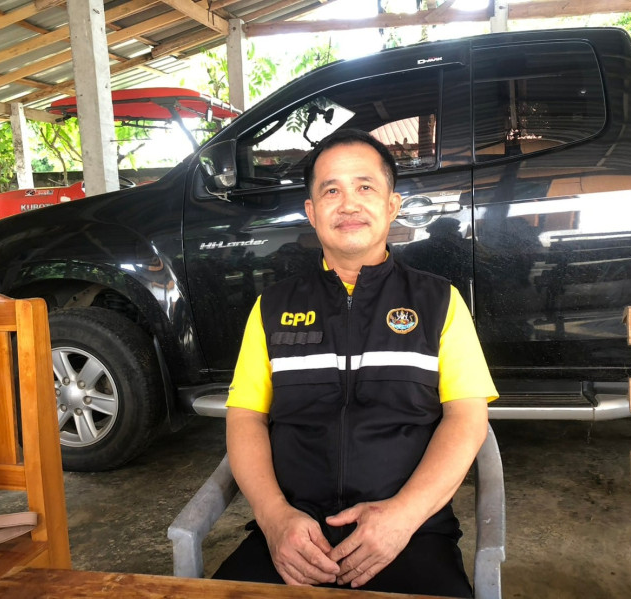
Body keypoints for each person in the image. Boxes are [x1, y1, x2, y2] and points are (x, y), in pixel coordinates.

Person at [213, 128, 498, 596]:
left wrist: (403, 516)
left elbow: (467, 418)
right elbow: (245, 417)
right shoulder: (271, 307)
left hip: (411, 533)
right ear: (311, 212)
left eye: (365, 187)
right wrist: (274, 517)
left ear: (392, 204)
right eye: (331, 191)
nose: (348, 204)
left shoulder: (439, 302)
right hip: (293, 533)